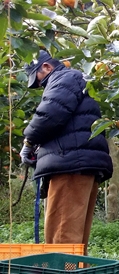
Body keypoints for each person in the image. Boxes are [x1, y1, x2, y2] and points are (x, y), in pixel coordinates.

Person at [22, 50, 113, 254]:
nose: (39, 87)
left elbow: (50, 113)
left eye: (38, 81)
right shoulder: (76, 80)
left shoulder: (65, 78)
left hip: (70, 164)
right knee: (74, 242)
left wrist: (29, 141)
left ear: (46, 67)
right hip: (80, 163)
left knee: (61, 240)